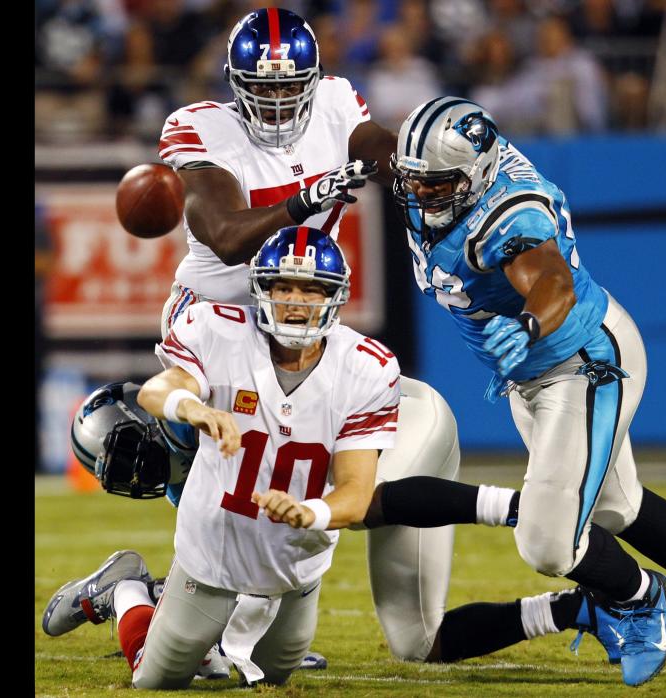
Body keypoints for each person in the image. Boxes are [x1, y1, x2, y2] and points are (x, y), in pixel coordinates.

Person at [152, 6, 460, 664]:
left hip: (293, 320)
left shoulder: (335, 100)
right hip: (219, 320)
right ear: (235, 84)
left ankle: (240, 618)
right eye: (260, 88)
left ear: (314, 79)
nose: (277, 101)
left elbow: (376, 146)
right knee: (224, 470)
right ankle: (163, 598)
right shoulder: (199, 127)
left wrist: (413, 161)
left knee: (305, 462)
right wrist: (317, 190)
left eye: (290, 86)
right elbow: (229, 236)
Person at [374, 96, 666, 687]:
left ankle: (640, 599)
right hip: (532, 373)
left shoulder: (508, 213)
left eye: (439, 186)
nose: (423, 197)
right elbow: (374, 147)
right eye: (416, 183)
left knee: (547, 544)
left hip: (580, 362)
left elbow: (553, 281)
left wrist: (530, 324)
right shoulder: (437, 170)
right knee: (618, 508)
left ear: (477, 174)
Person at [44, 227, 401, 688]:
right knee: (155, 679)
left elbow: (355, 494)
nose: (297, 301)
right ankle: (127, 590)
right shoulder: (219, 330)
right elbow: (157, 390)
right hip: (212, 549)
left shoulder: (367, 368)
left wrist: (308, 511)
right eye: (283, 286)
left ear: (335, 296)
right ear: (260, 290)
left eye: (313, 288)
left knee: (274, 676)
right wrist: (193, 407)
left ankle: (214, 630)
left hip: (295, 565)